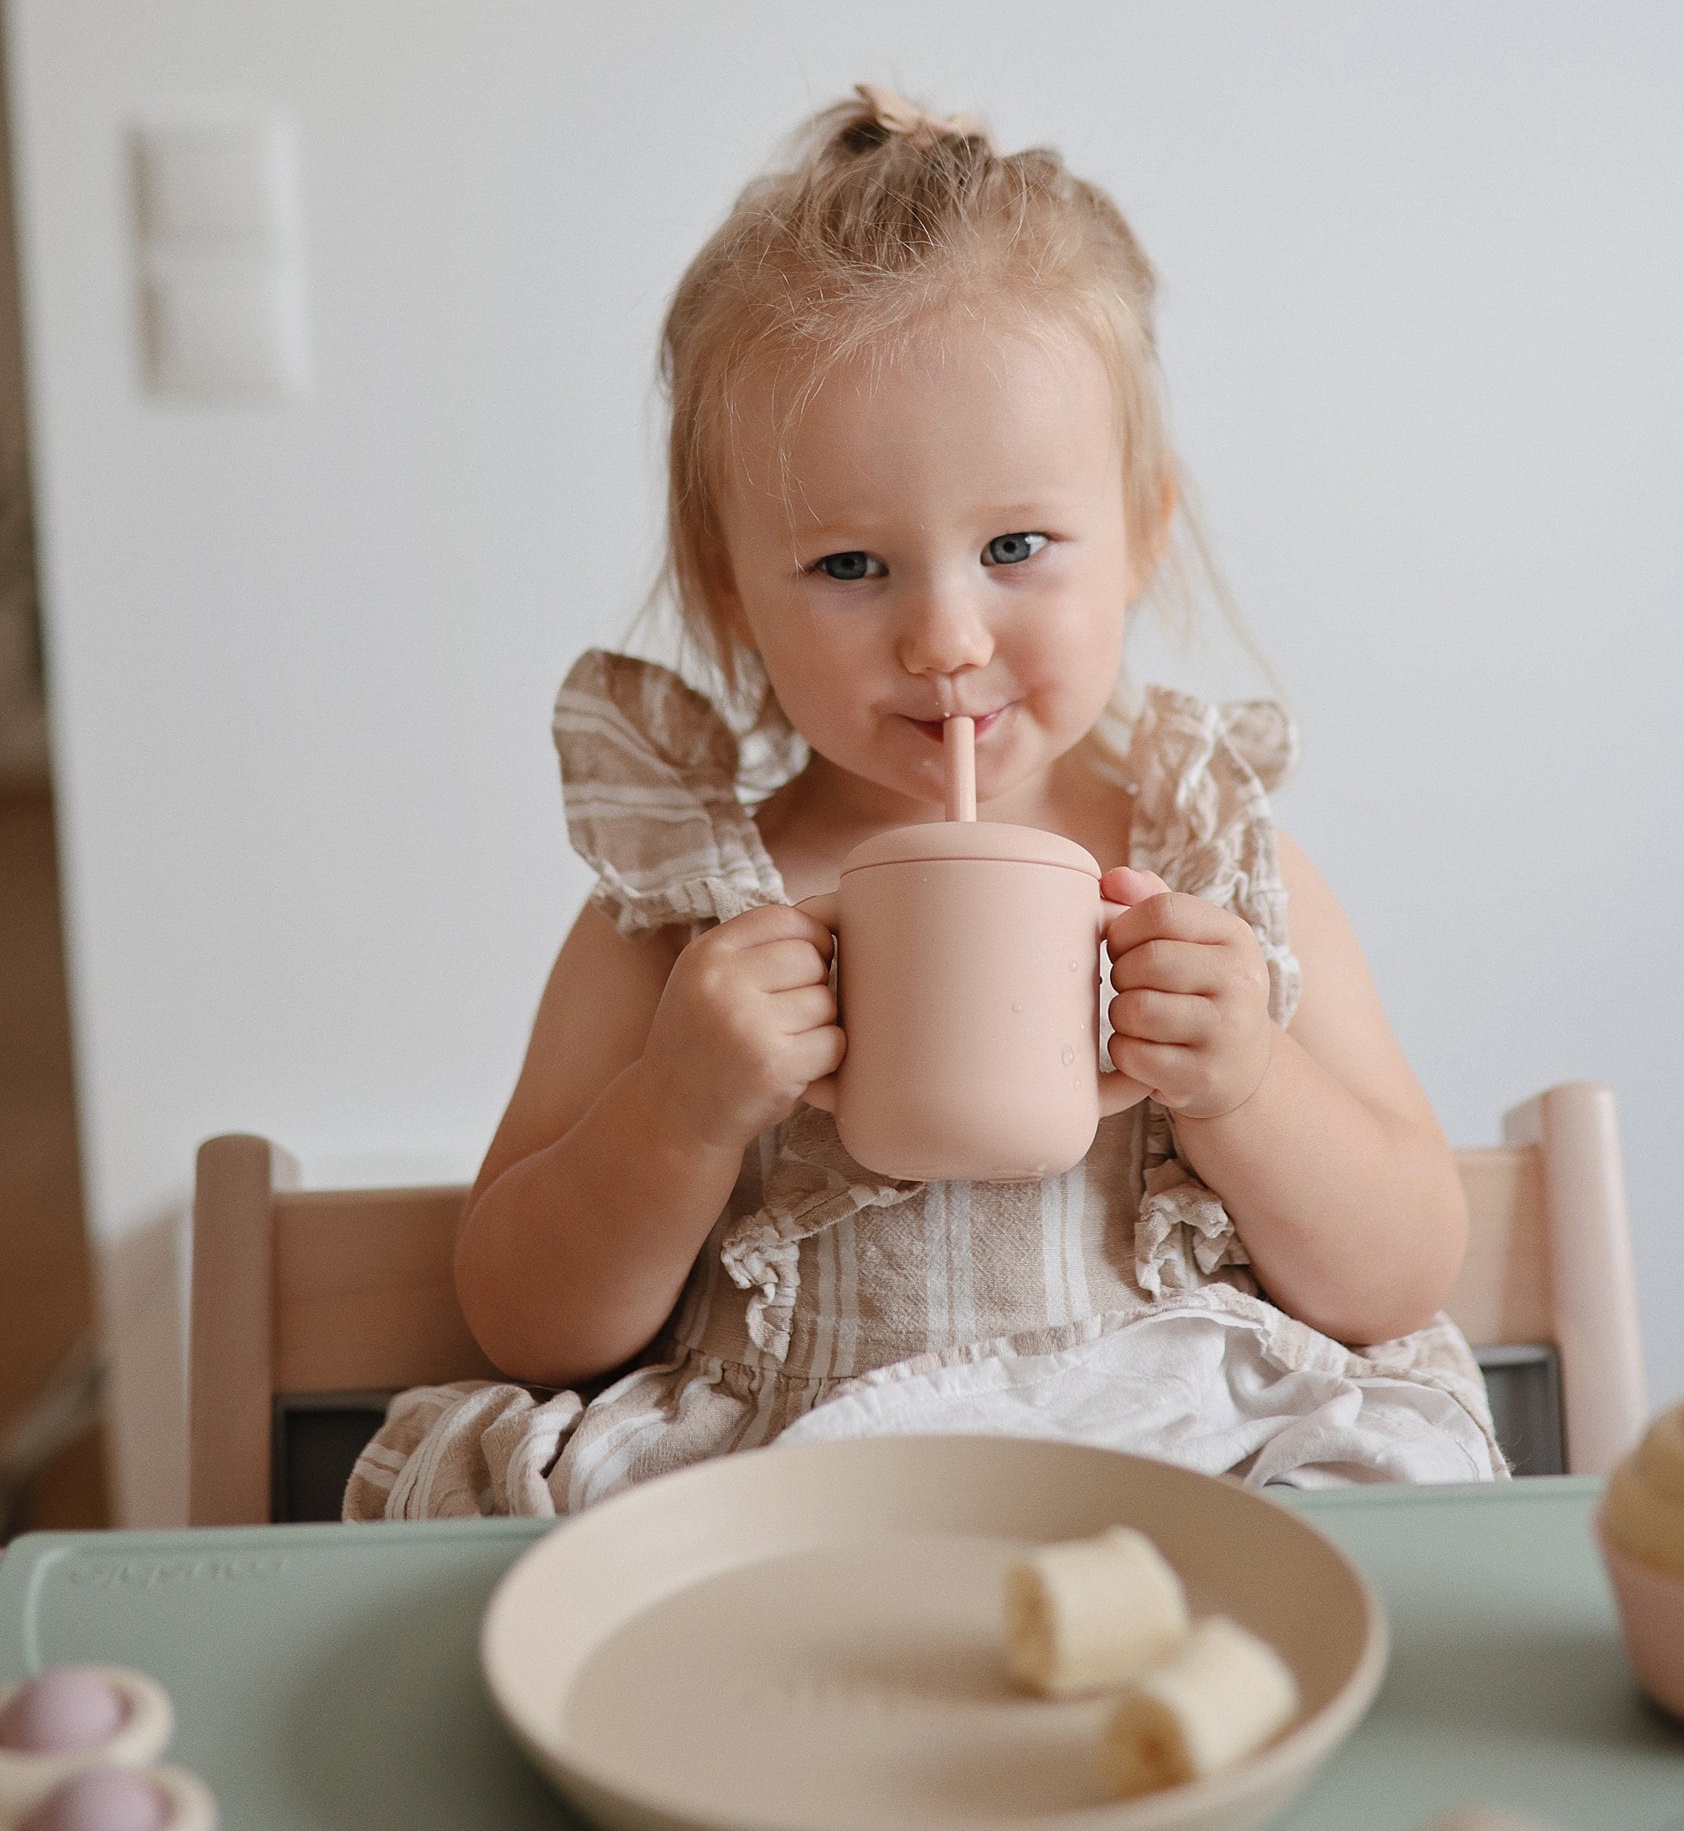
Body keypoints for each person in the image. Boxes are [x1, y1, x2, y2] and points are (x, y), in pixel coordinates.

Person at [345, 86, 1504, 1521]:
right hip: (790, 1509)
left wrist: (1248, 1083)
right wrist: (677, 1112)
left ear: (1141, 530)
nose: (945, 637)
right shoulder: (678, 909)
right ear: (731, 592)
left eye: (1014, 545)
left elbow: (1403, 1276)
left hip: (1169, 1498)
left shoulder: (1213, 867)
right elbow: (523, 1325)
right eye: (849, 566)